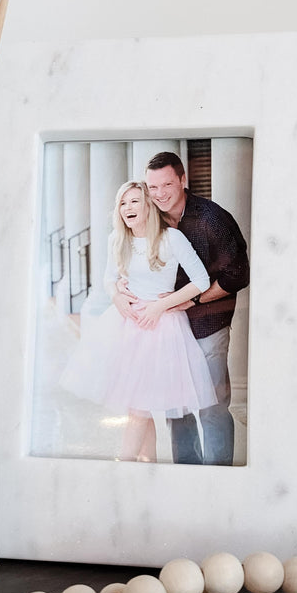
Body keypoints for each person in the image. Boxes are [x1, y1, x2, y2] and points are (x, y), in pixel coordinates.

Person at [60, 181, 217, 462]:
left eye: (134, 201)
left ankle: (124, 463)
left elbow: (202, 281)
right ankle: (148, 464)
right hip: (127, 325)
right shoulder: (117, 239)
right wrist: (117, 296)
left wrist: (161, 306)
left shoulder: (172, 239)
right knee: (139, 405)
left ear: (148, 206)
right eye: (122, 203)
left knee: (138, 411)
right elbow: (109, 280)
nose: (127, 208)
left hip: (162, 326)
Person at [116, 151, 250, 466]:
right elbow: (133, 258)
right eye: (153, 187)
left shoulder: (211, 218)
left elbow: (239, 273)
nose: (160, 193)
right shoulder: (152, 215)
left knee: (211, 405)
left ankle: (217, 475)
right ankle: (186, 471)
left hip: (206, 323)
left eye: (167, 184)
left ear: (182, 180)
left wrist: (196, 299)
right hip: (166, 327)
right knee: (176, 405)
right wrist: (120, 289)